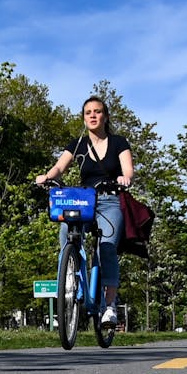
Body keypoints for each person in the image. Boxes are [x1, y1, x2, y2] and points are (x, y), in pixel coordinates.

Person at [36, 96, 134, 328]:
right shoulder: (78, 144)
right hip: (83, 201)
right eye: (88, 112)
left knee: (106, 248)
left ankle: (109, 307)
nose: (92, 115)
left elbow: (128, 169)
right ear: (84, 117)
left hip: (110, 200)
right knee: (65, 233)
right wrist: (48, 177)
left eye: (97, 111)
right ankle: (71, 280)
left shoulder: (119, 142)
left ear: (105, 116)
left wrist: (125, 178)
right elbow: (60, 166)